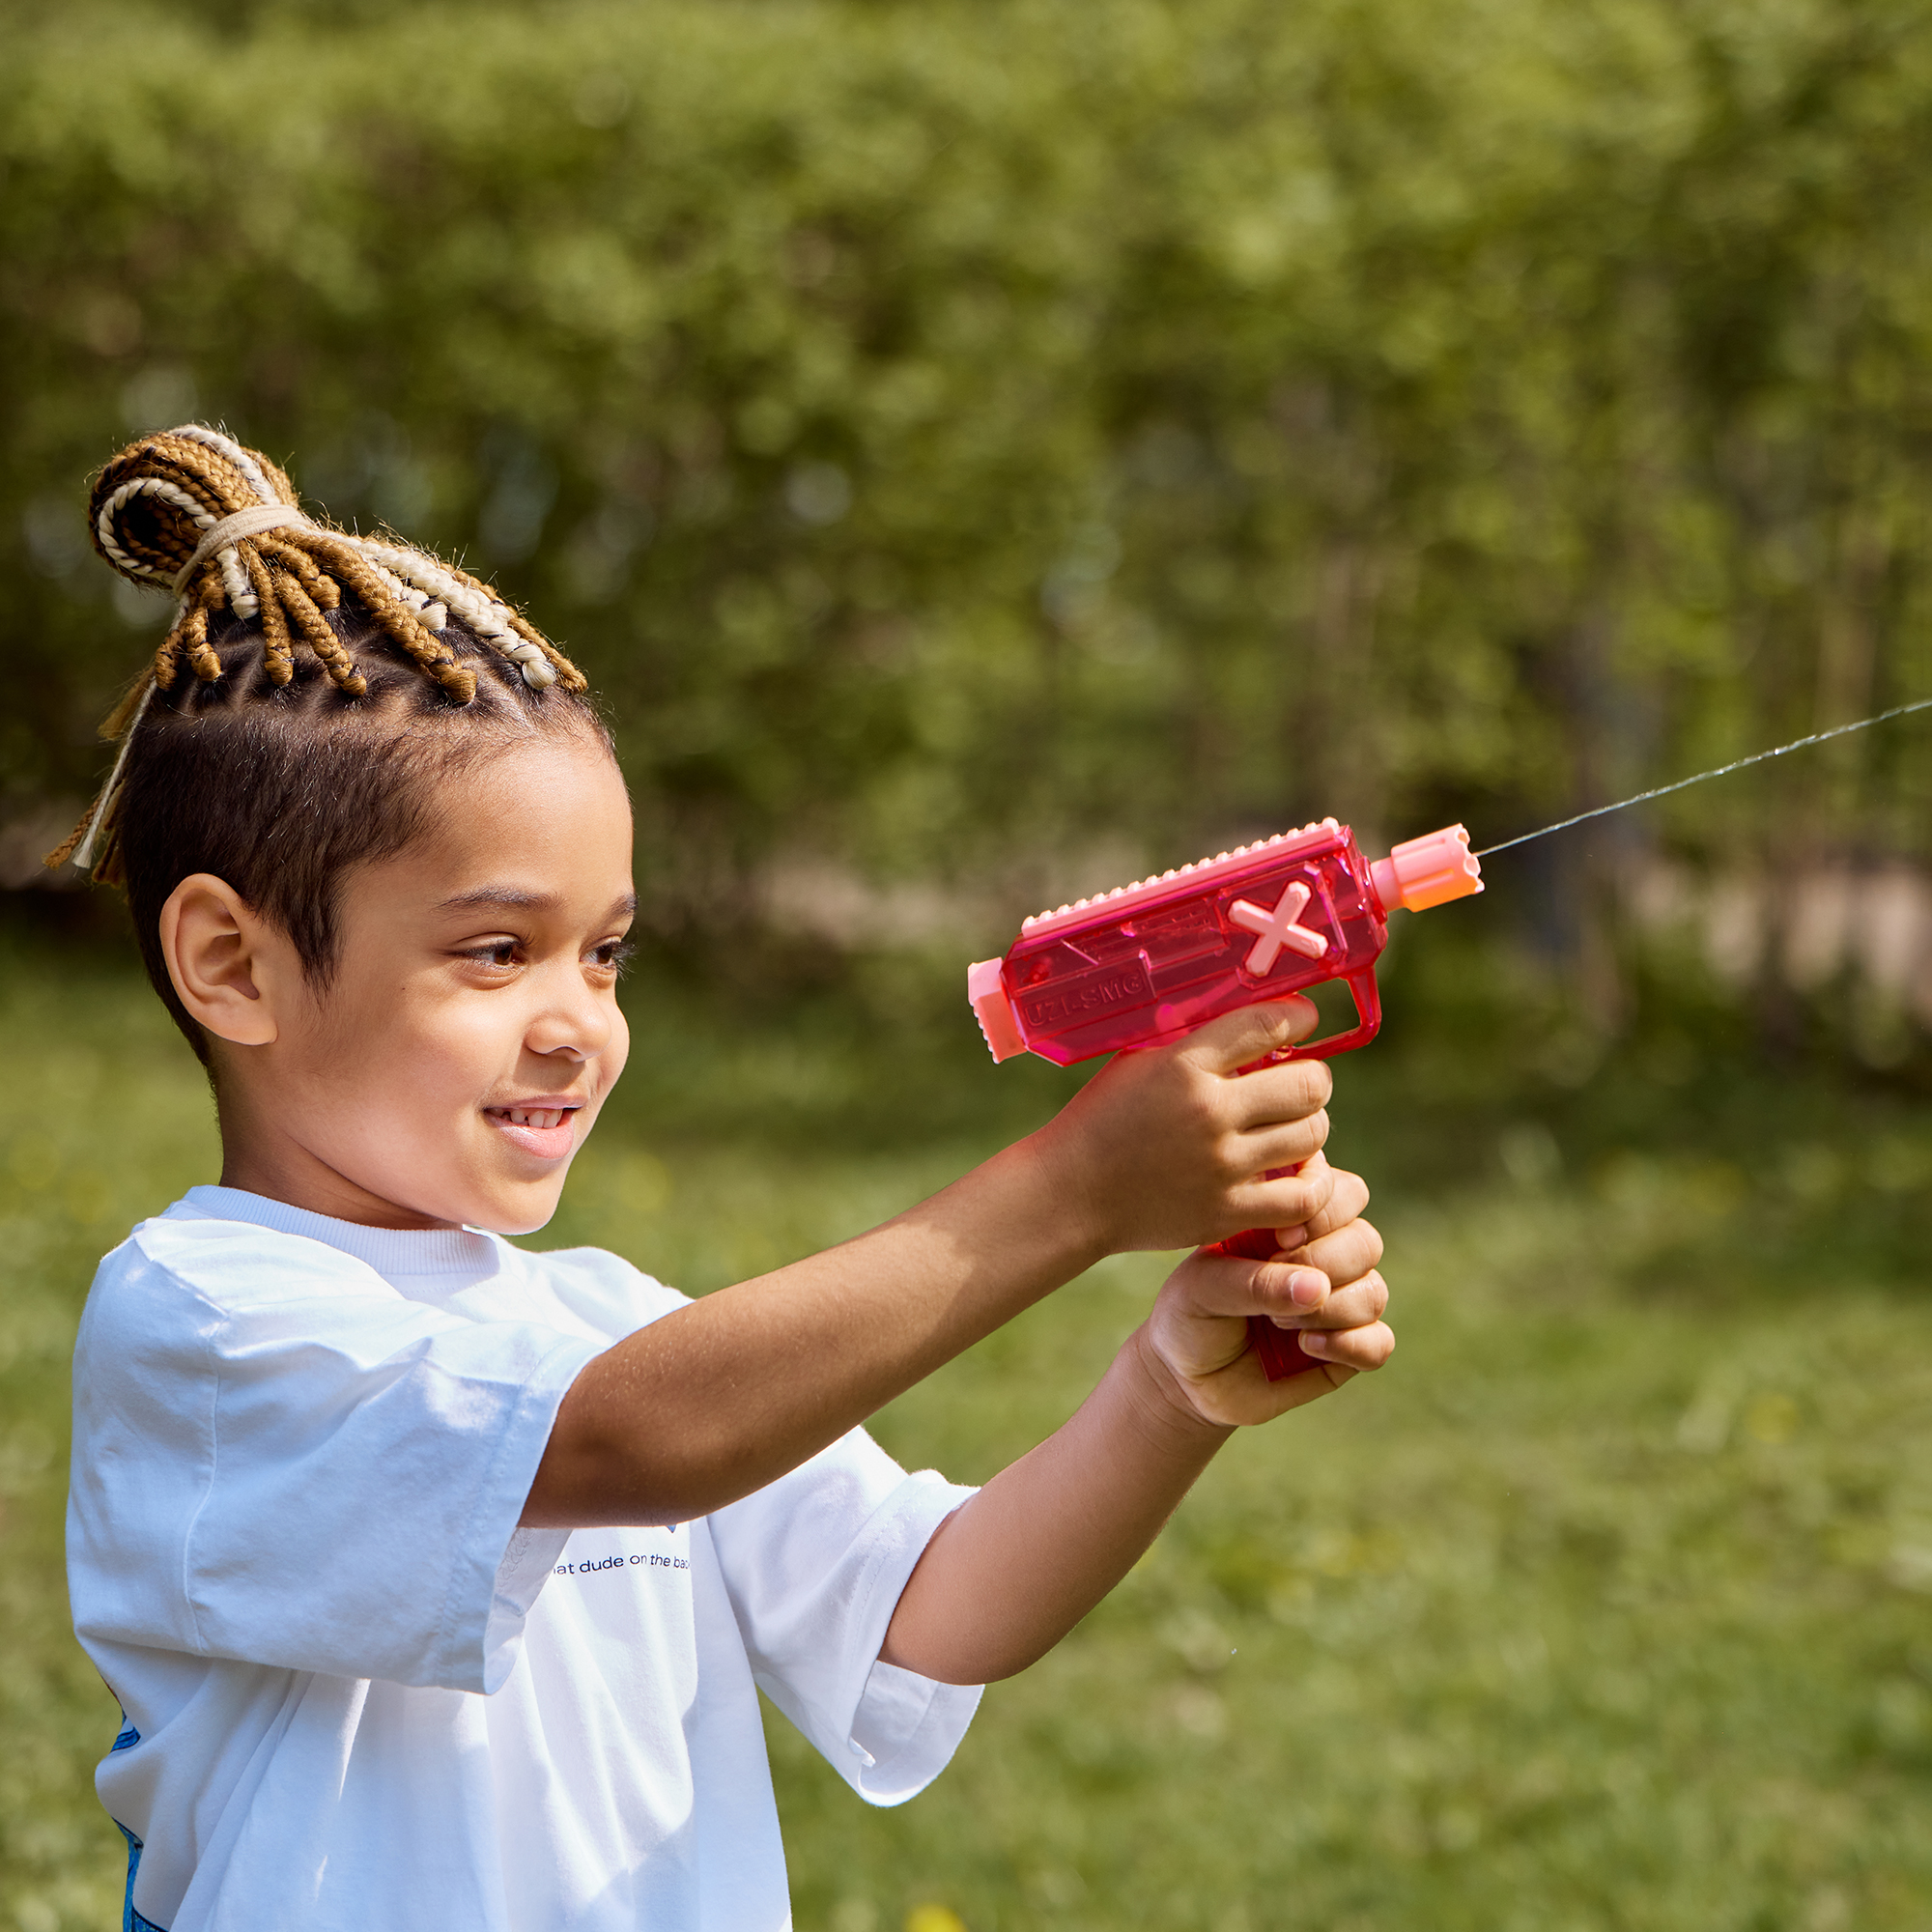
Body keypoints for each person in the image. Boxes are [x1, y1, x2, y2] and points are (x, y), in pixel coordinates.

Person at [58, 426, 1394, 1932]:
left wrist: (1173, 1388)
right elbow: (636, 1443)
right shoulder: (206, 1329)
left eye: (606, 952)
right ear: (233, 966)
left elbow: (932, 1609)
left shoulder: (615, 1324)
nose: (579, 1023)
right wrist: (1074, 1191)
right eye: (496, 950)